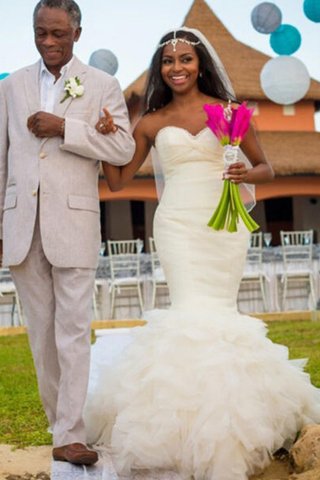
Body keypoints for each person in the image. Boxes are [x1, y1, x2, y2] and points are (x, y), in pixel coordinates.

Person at [84, 28, 320, 479]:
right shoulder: (150, 122)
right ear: (161, 68)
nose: (177, 68)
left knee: (219, 315)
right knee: (191, 313)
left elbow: (266, 168)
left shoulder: (230, 112)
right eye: (169, 61)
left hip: (224, 225)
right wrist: (106, 137)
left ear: (200, 64)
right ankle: (181, 426)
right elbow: (116, 181)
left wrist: (245, 170)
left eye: (185, 60)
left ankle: (235, 418)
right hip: (177, 226)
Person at [0, 0, 135, 467]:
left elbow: (122, 147)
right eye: (41, 33)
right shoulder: (13, 84)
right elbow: (3, 158)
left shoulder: (103, 85)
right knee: (41, 335)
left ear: (77, 32)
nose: (49, 42)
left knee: (73, 332)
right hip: (21, 226)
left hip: (74, 223)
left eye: (58, 33)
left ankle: (70, 434)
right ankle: (61, 426)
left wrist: (66, 127)